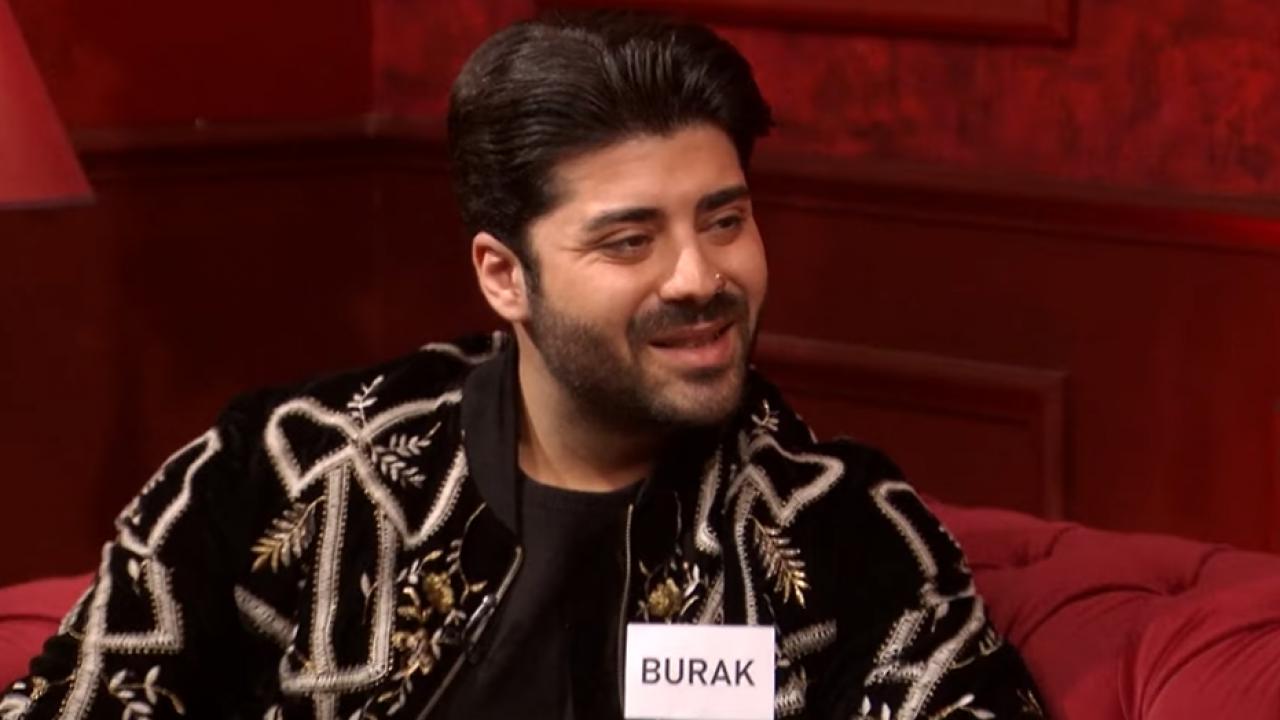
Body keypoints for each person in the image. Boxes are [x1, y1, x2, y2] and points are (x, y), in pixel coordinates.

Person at [1, 11, 1046, 720]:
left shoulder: (838, 526)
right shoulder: (288, 468)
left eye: (724, 220)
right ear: (505, 277)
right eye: (629, 240)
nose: (700, 277)